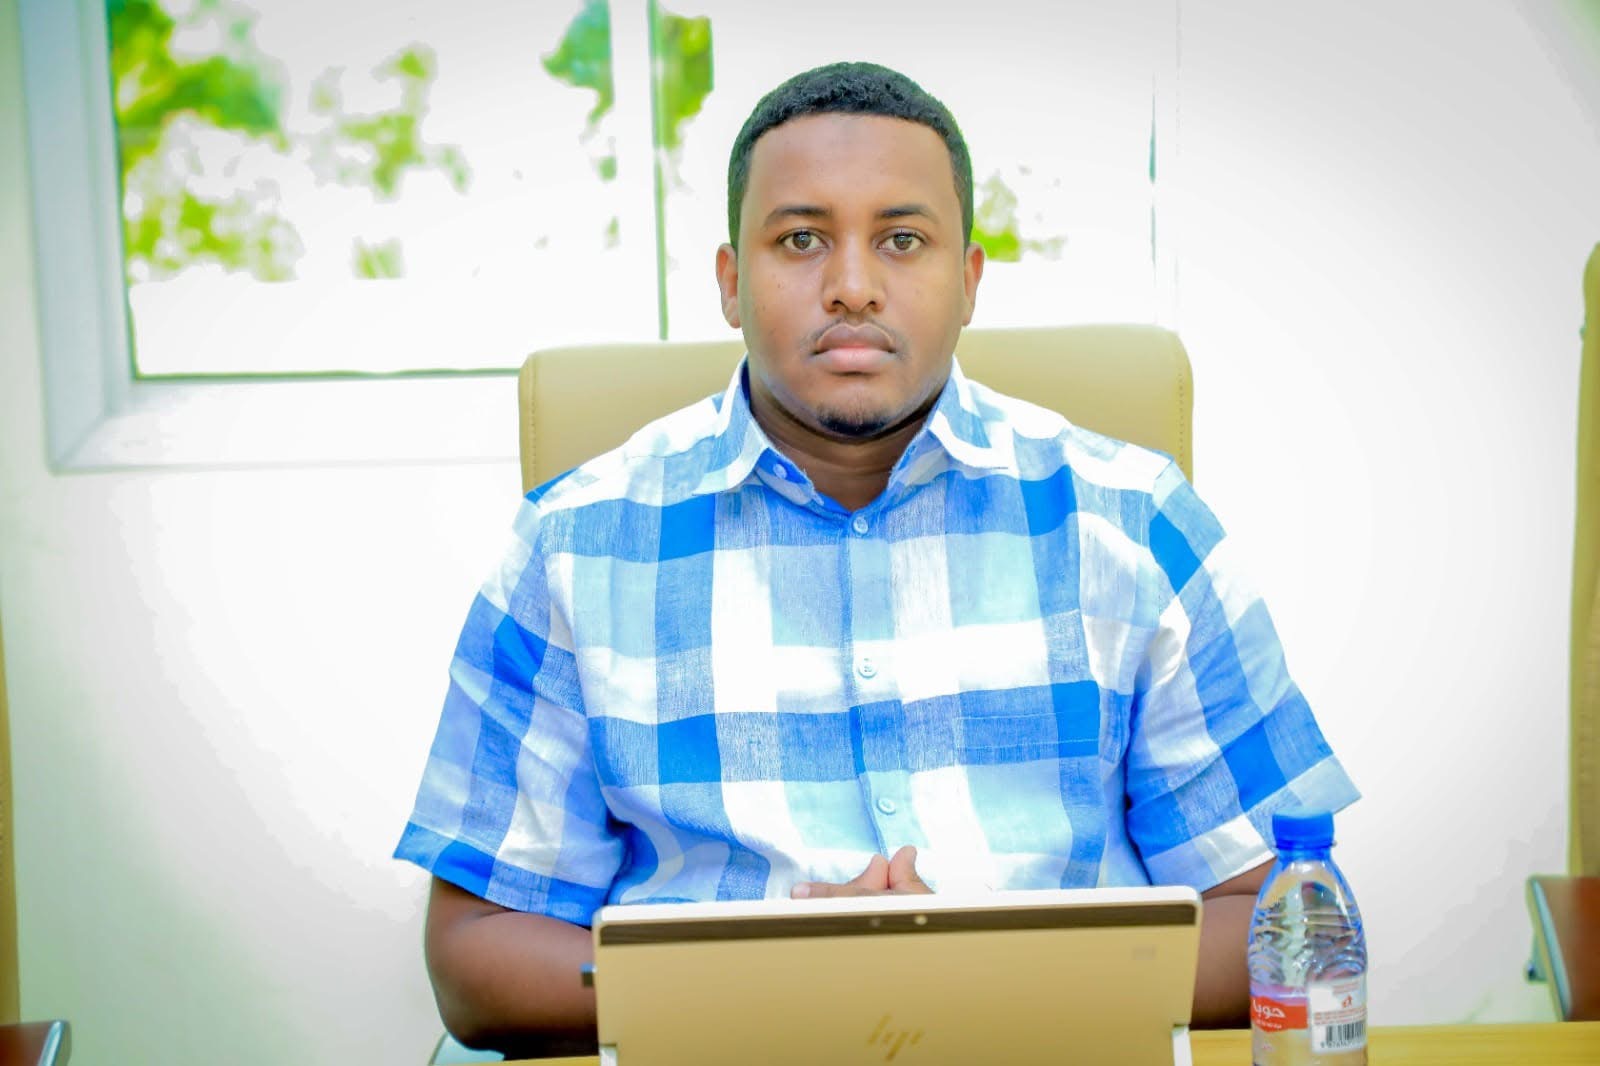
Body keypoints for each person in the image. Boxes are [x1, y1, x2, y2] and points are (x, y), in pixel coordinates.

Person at [396, 61, 1358, 1056]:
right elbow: (475, 955)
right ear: (729, 282)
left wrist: (966, 978)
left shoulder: (1137, 523)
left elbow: (1285, 913)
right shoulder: (571, 544)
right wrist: (776, 983)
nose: (852, 286)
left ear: (968, 280)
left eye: (901, 240)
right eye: (800, 239)